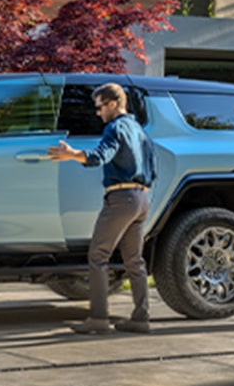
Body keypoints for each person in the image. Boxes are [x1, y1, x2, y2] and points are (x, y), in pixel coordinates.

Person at [47, 82, 154, 334]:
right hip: (142, 198)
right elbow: (152, 165)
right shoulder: (138, 129)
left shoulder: (114, 127)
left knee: (98, 256)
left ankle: (98, 319)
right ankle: (141, 318)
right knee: (135, 261)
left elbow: (100, 156)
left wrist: (73, 154)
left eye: (100, 107)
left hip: (120, 199)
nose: (98, 113)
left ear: (113, 104)